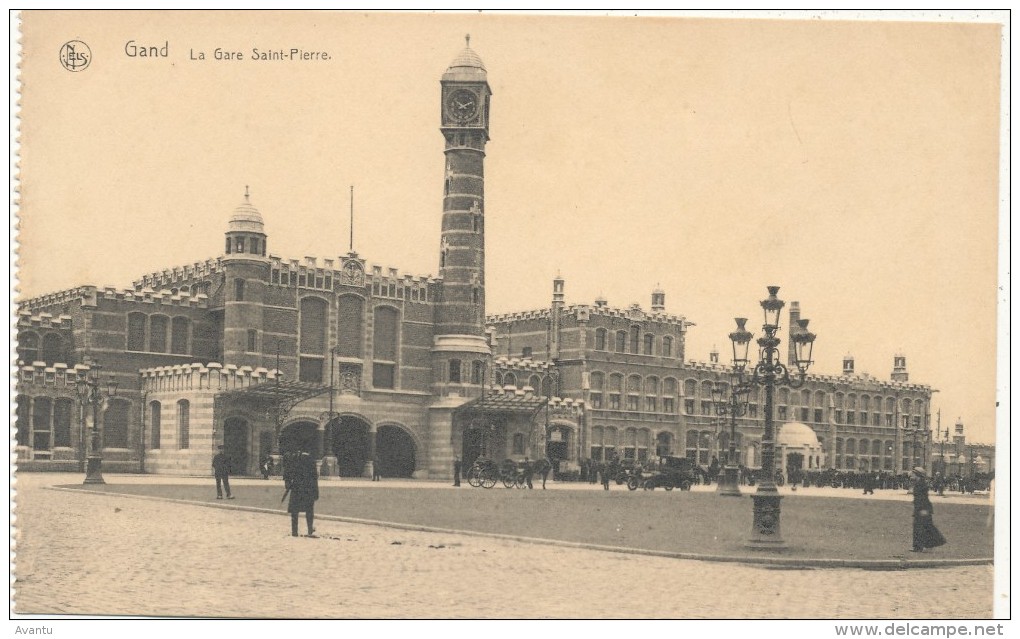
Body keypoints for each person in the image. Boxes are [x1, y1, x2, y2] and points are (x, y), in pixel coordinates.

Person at [284, 449, 320, 537]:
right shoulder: (311, 460)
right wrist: (316, 492)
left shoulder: (294, 459)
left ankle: (294, 531)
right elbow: (314, 478)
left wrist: (288, 485)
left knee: (294, 511)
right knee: (309, 510)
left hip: (296, 488)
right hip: (308, 489)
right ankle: (310, 530)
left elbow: (287, 473)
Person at [910, 466, 946, 553]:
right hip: (921, 508)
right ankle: (921, 546)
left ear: (918, 475)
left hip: (923, 509)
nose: (912, 475)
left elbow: (923, 498)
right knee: (924, 527)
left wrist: (923, 509)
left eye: (913, 474)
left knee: (921, 527)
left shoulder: (921, 484)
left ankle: (919, 547)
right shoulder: (919, 483)